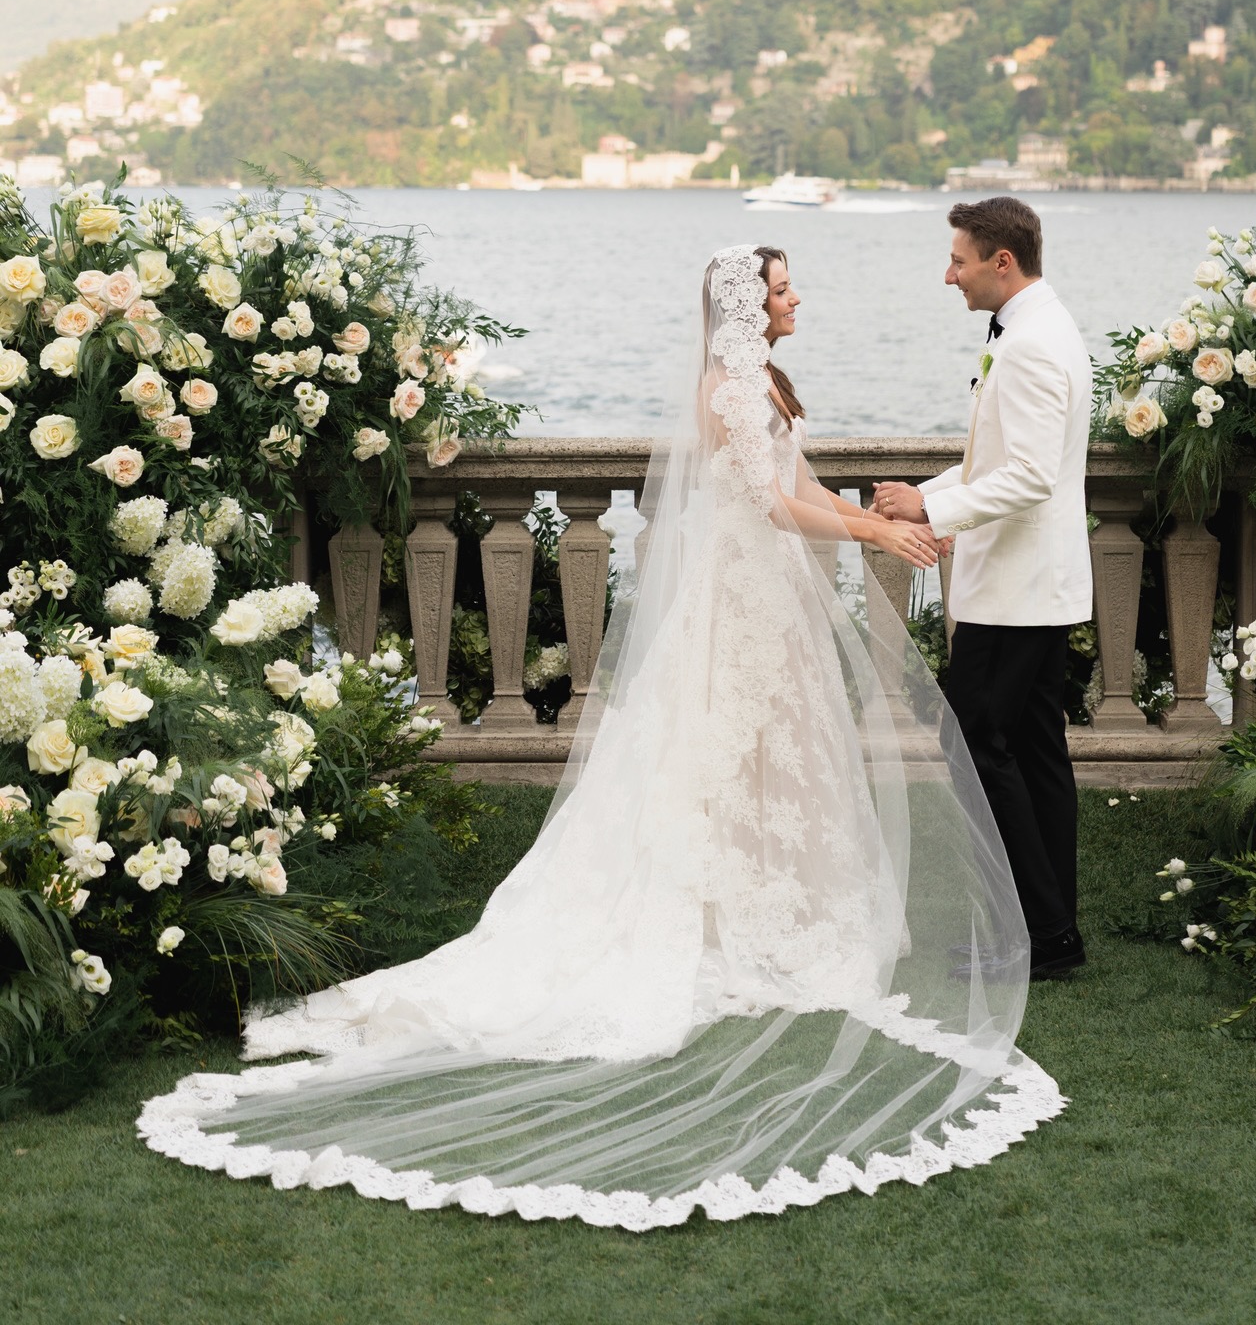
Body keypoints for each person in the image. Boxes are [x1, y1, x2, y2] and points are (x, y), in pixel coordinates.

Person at [139, 244, 1063, 1228]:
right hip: (739, 604)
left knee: (772, 760)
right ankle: (722, 915)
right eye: (783, 288)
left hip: (772, 603)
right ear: (745, 309)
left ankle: (768, 906)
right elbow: (773, 506)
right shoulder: (726, 391)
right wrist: (879, 534)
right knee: (717, 757)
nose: (797, 298)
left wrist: (886, 515)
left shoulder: (763, 384)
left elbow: (804, 486)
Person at [873, 197, 1093, 980]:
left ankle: (1037, 931)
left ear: (1003, 261)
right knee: (1035, 754)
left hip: (1014, 590)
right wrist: (925, 495)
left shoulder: (1029, 345)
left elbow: (1030, 477)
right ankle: (1050, 933)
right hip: (1033, 584)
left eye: (958, 261)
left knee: (971, 744)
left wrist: (933, 511)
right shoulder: (1041, 327)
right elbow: (997, 462)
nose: (949, 275)